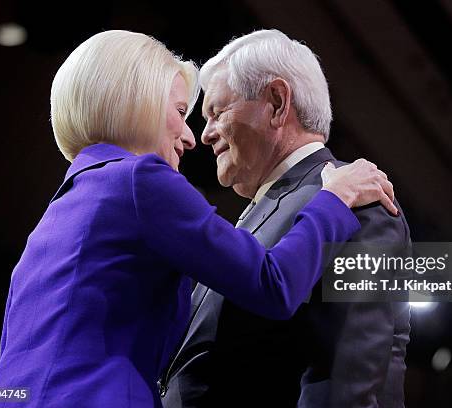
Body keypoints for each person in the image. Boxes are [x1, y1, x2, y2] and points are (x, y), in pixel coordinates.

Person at [0, 30, 397, 408]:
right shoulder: (140, 180)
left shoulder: (56, 214)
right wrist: (336, 198)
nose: (192, 135)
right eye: (182, 112)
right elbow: (272, 285)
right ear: (137, 102)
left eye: (211, 113)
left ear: (276, 103)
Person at [161, 30, 411, 408]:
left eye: (216, 112)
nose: (205, 133)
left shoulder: (359, 202)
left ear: (277, 102)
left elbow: (347, 378)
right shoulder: (274, 205)